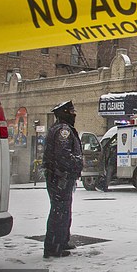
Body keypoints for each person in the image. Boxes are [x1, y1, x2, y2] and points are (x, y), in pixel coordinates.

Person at [42, 100, 83, 258]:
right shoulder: (63, 130)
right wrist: (76, 163)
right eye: (72, 113)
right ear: (65, 114)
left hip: (60, 177)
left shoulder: (59, 128)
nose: (74, 115)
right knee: (59, 211)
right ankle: (54, 247)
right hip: (60, 177)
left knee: (63, 210)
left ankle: (61, 241)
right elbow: (63, 155)